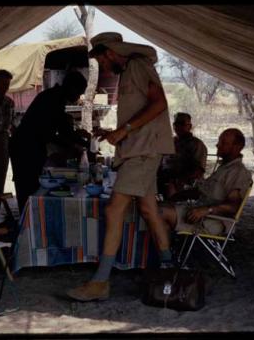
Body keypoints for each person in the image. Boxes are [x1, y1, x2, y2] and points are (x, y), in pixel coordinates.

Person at [67, 32, 175, 302]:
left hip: (142, 152)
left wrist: (124, 130)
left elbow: (159, 103)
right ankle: (169, 269)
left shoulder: (137, 66)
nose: (103, 67)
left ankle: (100, 282)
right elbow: (141, 114)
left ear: (111, 52)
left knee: (115, 209)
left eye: (102, 60)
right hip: (140, 149)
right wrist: (115, 132)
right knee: (149, 210)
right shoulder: (129, 71)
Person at [9, 71, 89, 213]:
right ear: (71, 87)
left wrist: (81, 140)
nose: (78, 97)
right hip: (24, 147)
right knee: (28, 189)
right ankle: (26, 225)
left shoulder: (56, 97)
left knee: (32, 187)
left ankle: (30, 220)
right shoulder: (52, 99)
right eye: (79, 93)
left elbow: (64, 128)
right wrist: (75, 143)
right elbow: (50, 133)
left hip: (32, 146)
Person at [157, 128, 252, 244]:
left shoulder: (237, 172)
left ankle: (164, 256)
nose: (218, 145)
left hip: (211, 220)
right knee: (156, 208)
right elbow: (201, 192)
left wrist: (207, 210)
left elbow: (233, 206)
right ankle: (163, 253)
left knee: (159, 213)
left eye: (223, 143)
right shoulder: (224, 168)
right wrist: (174, 197)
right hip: (198, 212)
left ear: (237, 147)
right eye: (219, 141)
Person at [158, 112, 208, 198]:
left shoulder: (197, 144)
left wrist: (179, 181)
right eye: (176, 124)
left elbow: (199, 171)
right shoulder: (170, 142)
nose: (178, 127)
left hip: (185, 184)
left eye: (181, 124)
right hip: (165, 180)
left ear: (189, 126)